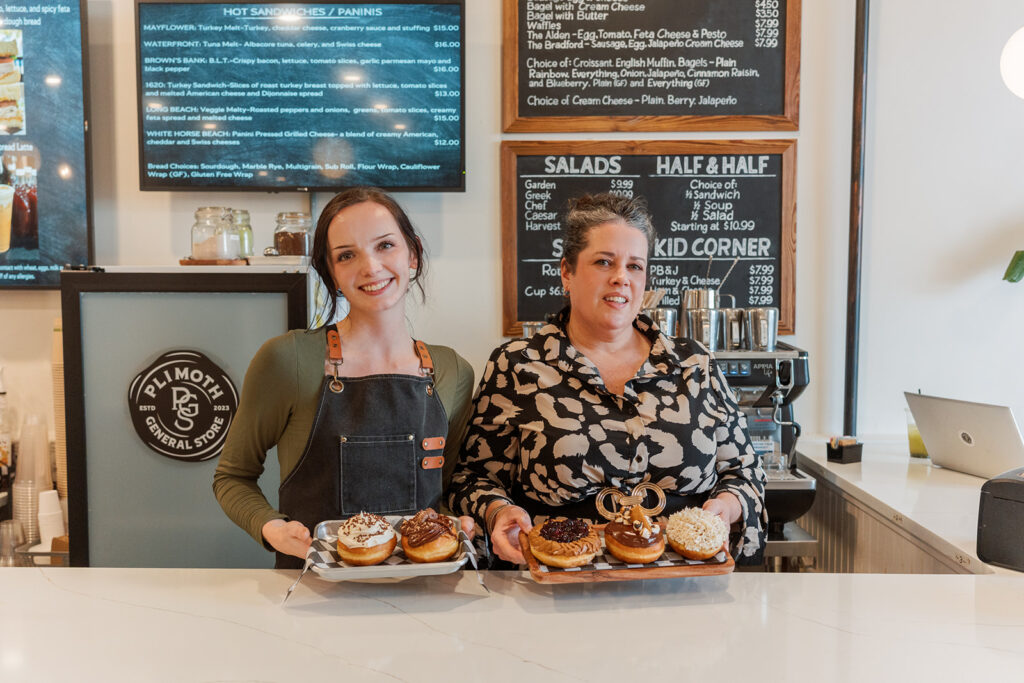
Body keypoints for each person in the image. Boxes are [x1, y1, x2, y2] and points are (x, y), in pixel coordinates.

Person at [449, 192, 765, 565]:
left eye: (635, 266)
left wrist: (725, 508)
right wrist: (499, 512)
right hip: (560, 577)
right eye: (604, 262)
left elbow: (745, 472)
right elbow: (471, 479)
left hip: (684, 580)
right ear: (567, 271)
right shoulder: (518, 365)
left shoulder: (694, 364)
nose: (621, 278)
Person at [214, 187, 476, 569]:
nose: (370, 267)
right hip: (317, 593)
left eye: (385, 245)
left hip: (425, 590)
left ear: (413, 253)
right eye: (347, 255)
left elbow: (450, 489)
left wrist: (459, 520)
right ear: (332, 273)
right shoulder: (289, 360)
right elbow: (232, 477)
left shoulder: (452, 371)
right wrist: (271, 527)